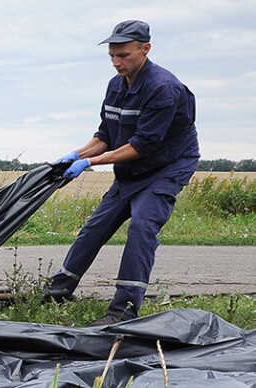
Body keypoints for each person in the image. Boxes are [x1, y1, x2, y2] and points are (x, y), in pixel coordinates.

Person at [49, 20, 200, 325]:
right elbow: (105, 135)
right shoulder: (116, 85)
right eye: (112, 56)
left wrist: (90, 164)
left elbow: (142, 145)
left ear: (145, 49)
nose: (117, 62)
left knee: (142, 226)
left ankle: (124, 307)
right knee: (96, 227)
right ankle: (59, 289)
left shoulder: (163, 88)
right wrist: (75, 155)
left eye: (124, 55)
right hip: (133, 169)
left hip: (167, 168)